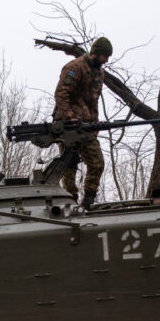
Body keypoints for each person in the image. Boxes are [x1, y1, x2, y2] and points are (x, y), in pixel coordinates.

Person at [53, 36, 112, 210]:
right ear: (96, 53)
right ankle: (70, 200)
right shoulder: (74, 67)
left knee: (97, 163)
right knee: (69, 165)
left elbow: (93, 102)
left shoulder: (99, 73)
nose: (106, 61)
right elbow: (61, 94)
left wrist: (94, 125)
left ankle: (88, 202)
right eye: (105, 56)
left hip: (86, 126)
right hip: (67, 125)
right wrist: (70, 116)